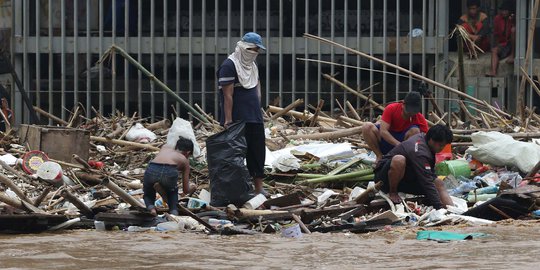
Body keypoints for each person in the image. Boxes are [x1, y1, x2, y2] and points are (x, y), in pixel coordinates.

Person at [217, 32, 267, 195]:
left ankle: (259, 188)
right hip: (237, 119)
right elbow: (227, 95)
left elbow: (257, 89)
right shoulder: (229, 65)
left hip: (254, 117)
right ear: (244, 48)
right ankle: (236, 190)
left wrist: (259, 109)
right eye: (253, 49)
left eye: (257, 51)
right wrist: (228, 120)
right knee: (235, 156)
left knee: (257, 153)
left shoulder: (252, 66)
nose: (255, 54)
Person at [373, 124, 454, 209]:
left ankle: (453, 211)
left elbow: (430, 176)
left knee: (439, 183)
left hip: (406, 178)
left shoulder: (425, 139)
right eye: (441, 145)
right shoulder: (419, 151)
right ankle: (392, 192)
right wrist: (438, 206)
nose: (442, 148)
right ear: (432, 140)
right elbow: (426, 181)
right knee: (399, 160)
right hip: (384, 179)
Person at [362, 91, 429, 163]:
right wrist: (399, 144)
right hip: (385, 141)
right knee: (367, 126)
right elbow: (383, 131)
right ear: (403, 104)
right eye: (408, 112)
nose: (411, 114)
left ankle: (403, 159)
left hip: (403, 148)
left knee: (415, 131)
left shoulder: (419, 117)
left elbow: (426, 138)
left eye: (413, 112)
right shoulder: (391, 108)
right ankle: (379, 156)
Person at [143, 137, 195, 216]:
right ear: (188, 153)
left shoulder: (165, 147)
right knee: (172, 193)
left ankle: (151, 208)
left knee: (148, 192)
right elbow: (186, 190)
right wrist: (192, 187)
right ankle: (173, 212)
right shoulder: (184, 160)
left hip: (152, 167)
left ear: (176, 146)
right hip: (169, 170)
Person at [486, 0, 515, 77]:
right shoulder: (497, 18)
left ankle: (512, 55)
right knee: (494, 50)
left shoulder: (513, 18)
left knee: (513, 31)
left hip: (513, 44)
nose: (504, 12)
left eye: (506, 10)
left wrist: (512, 20)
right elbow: (495, 34)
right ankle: (493, 71)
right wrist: (496, 46)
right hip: (503, 44)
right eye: (502, 10)